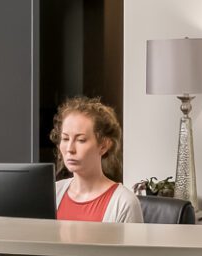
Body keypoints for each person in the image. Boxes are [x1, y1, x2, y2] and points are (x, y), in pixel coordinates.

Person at [51, 96, 143, 224]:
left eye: (81, 140)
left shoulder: (124, 203)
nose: (70, 149)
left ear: (104, 145)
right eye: (65, 139)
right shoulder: (52, 194)